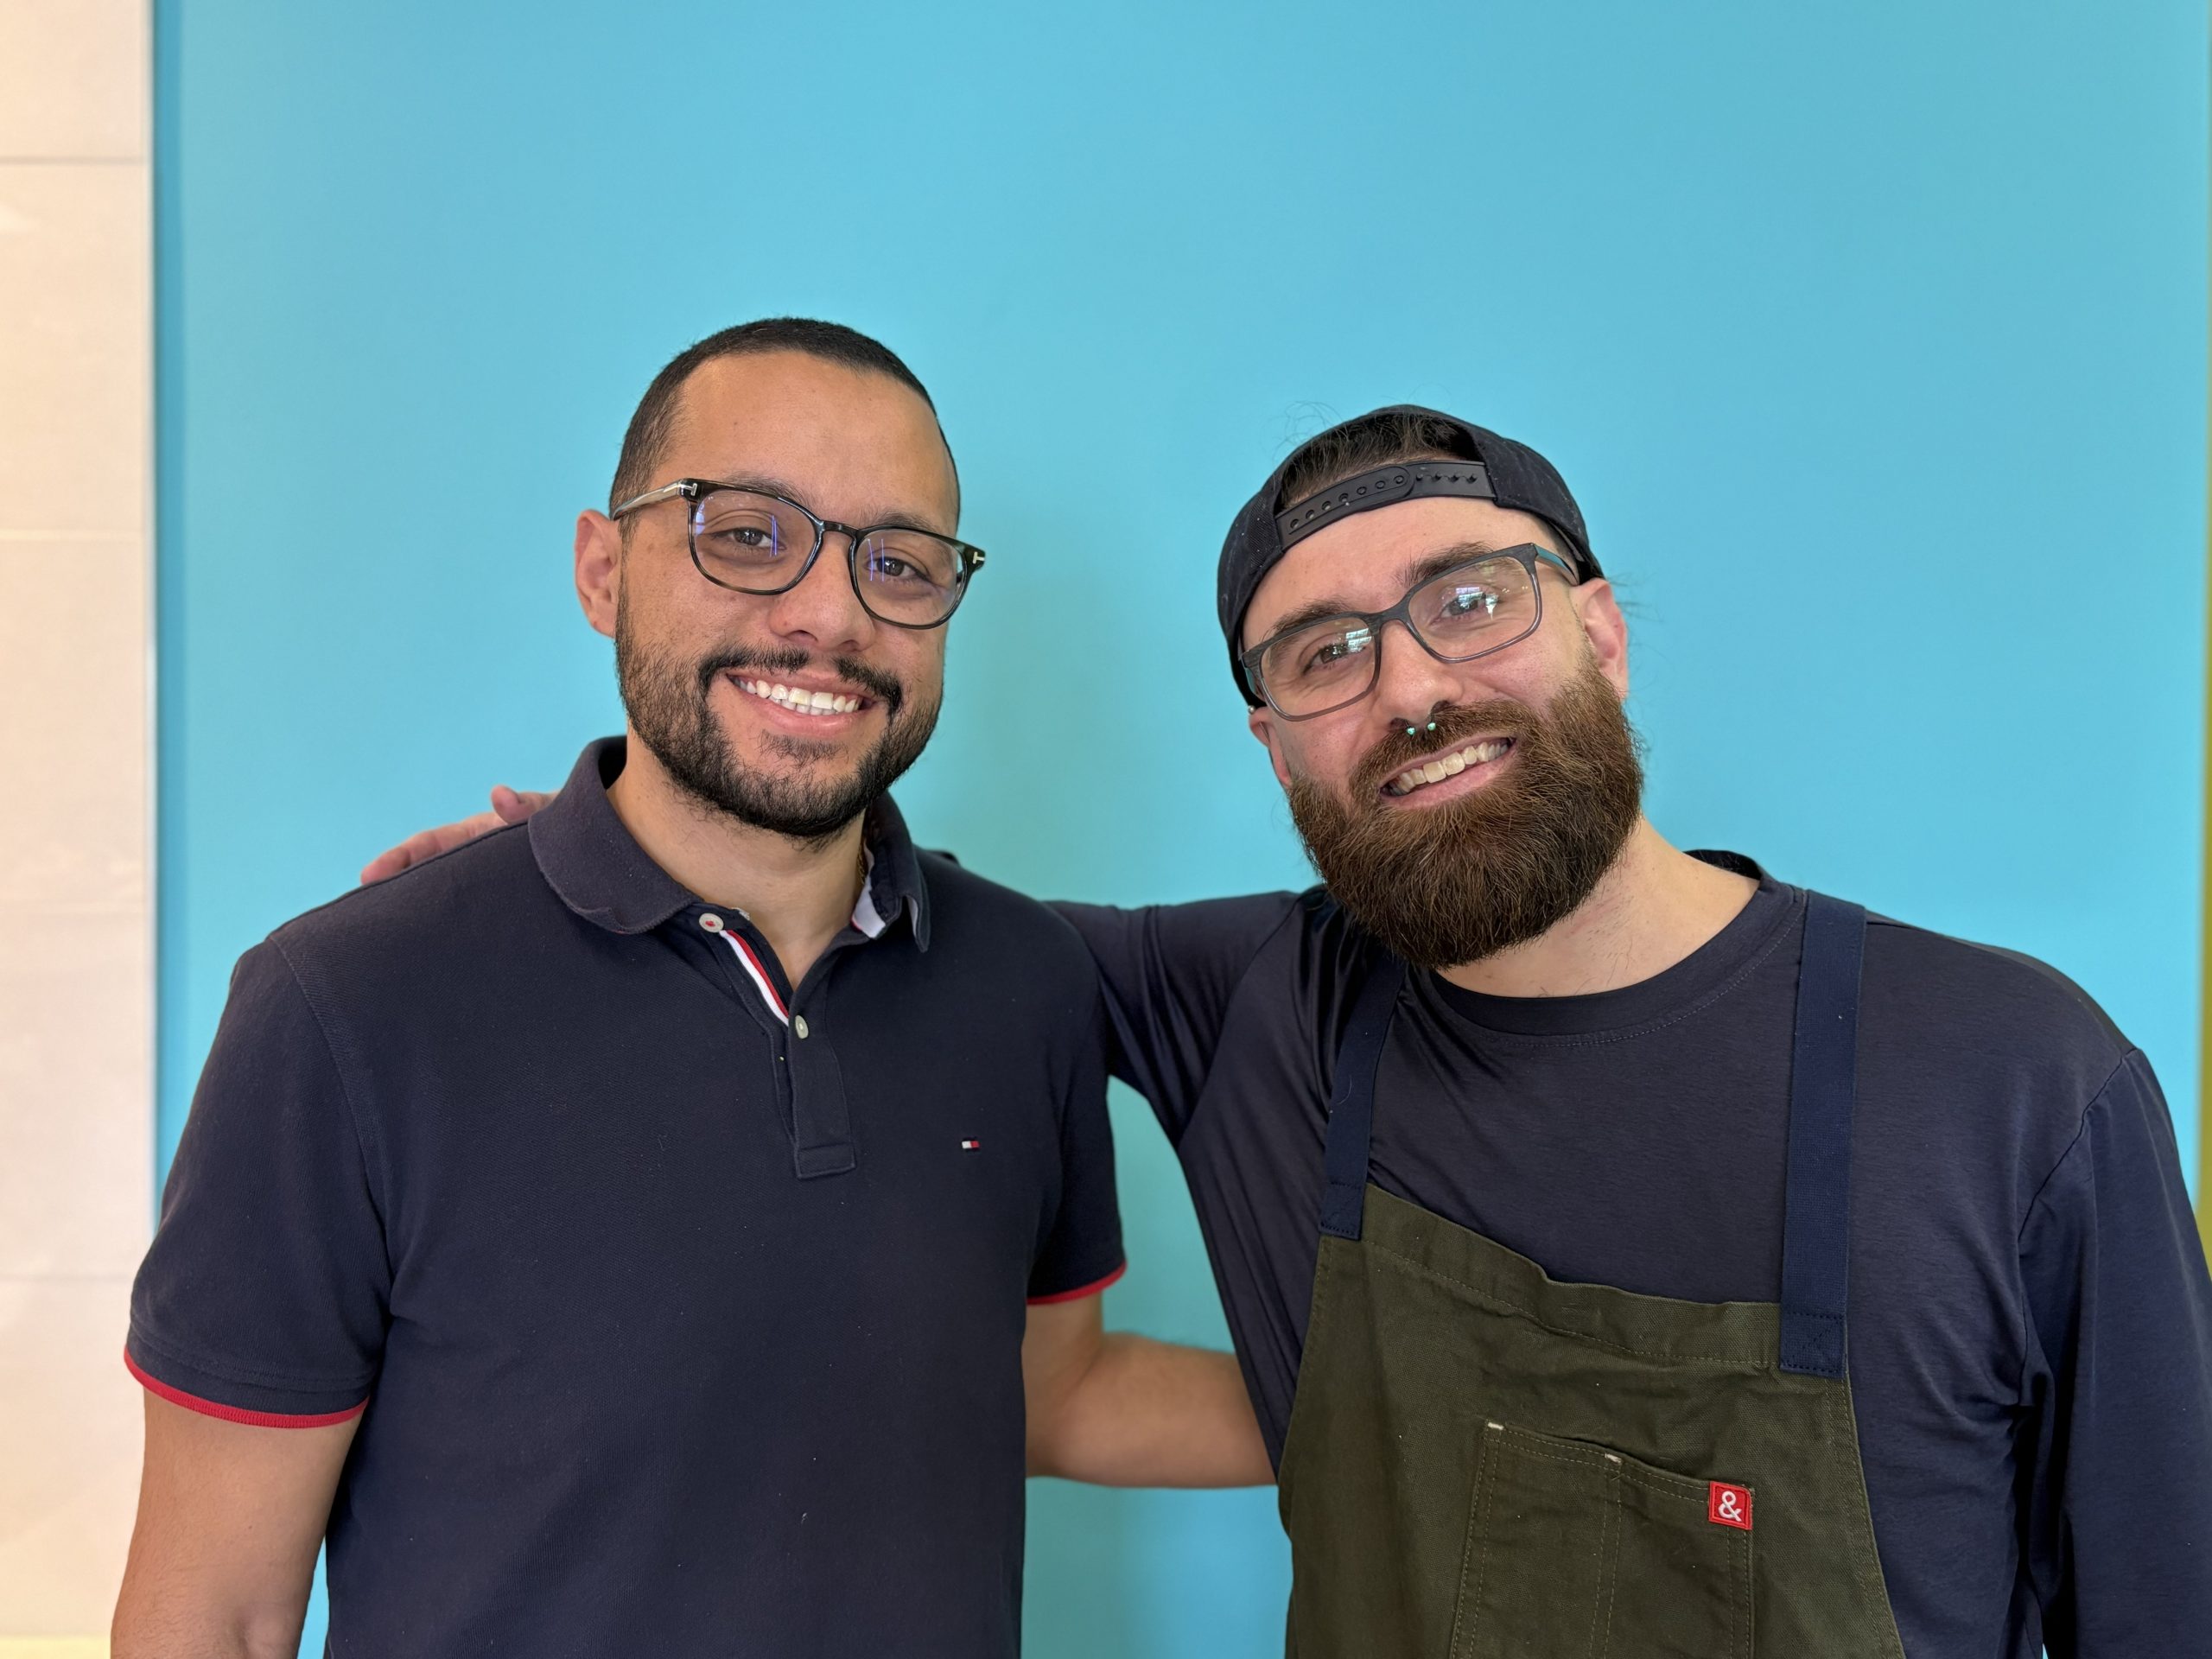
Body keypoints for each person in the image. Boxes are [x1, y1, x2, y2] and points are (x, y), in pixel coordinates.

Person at [375, 404, 2212, 1657]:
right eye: (1319, 654)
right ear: (1269, 741)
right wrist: (582, 864)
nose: (1409, 684)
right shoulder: (1245, 1003)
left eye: (1467, 603)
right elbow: (841, 918)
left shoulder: (2013, 1085)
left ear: (1599, 636)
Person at [115, 319, 1267, 1659]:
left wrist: (1443, 1426)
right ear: (604, 568)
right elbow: (219, 1616)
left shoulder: (1026, 985)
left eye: (898, 561)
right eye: (748, 532)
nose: (828, 615)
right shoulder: (342, 1013)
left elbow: (1053, 1397)